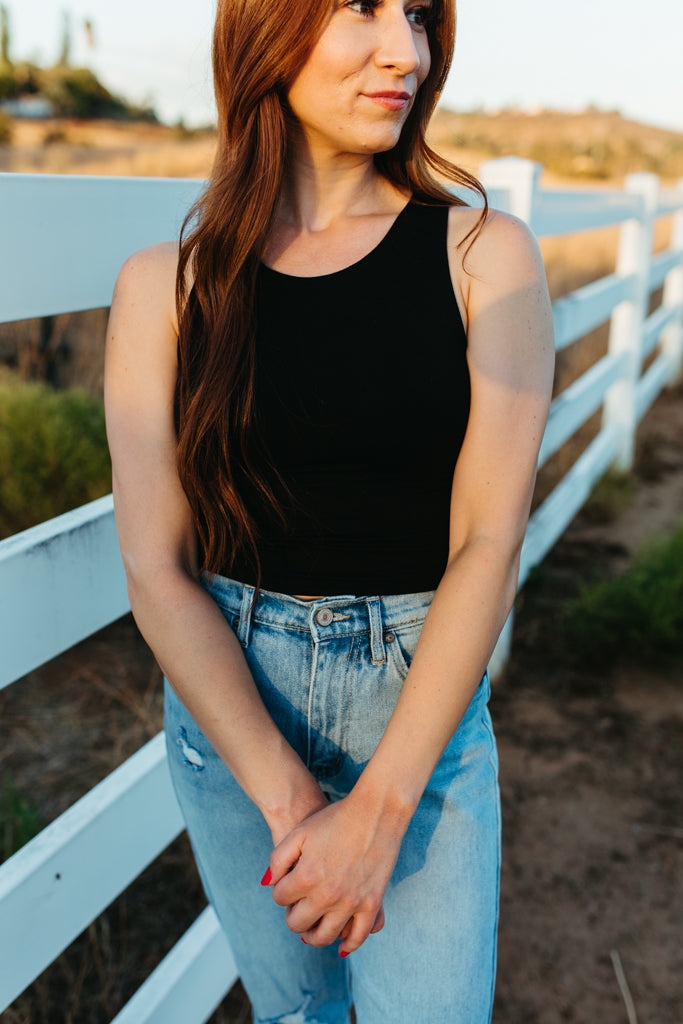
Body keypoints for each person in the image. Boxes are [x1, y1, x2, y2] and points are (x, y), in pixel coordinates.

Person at [104, 0, 554, 1020]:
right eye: (361, 8)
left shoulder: (483, 255)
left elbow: (487, 541)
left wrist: (379, 809)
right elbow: (155, 568)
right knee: (299, 1014)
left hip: (417, 704)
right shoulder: (165, 288)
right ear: (266, 27)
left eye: (418, 14)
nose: (406, 48)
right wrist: (290, 801)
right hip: (230, 711)